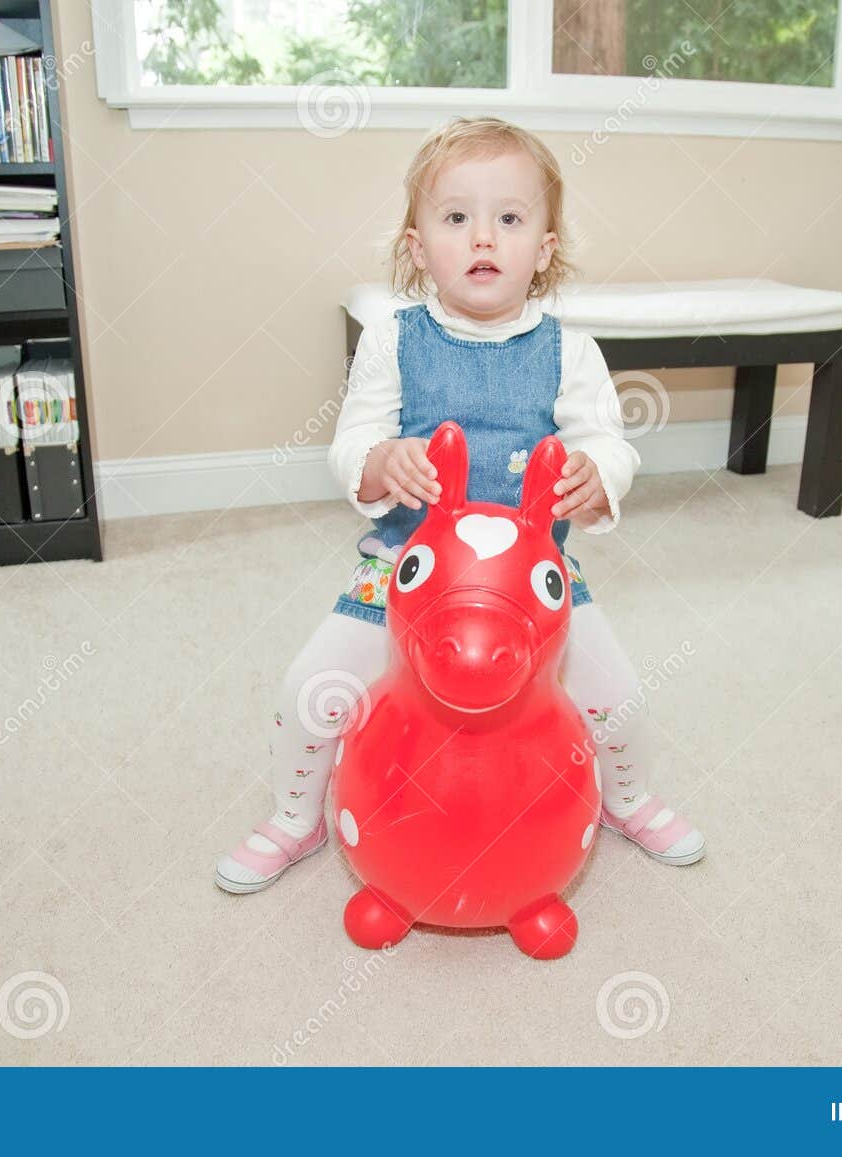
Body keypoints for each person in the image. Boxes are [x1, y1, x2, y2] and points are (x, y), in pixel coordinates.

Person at [215, 116, 705, 894]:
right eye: (456, 218)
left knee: (618, 696)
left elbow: (611, 441)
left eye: (509, 219)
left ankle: (628, 799)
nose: (484, 238)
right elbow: (350, 444)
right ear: (417, 247)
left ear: (543, 250)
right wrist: (381, 461)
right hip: (404, 568)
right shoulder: (391, 339)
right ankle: (296, 816)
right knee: (312, 688)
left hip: (531, 583)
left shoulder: (568, 350)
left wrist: (598, 473)